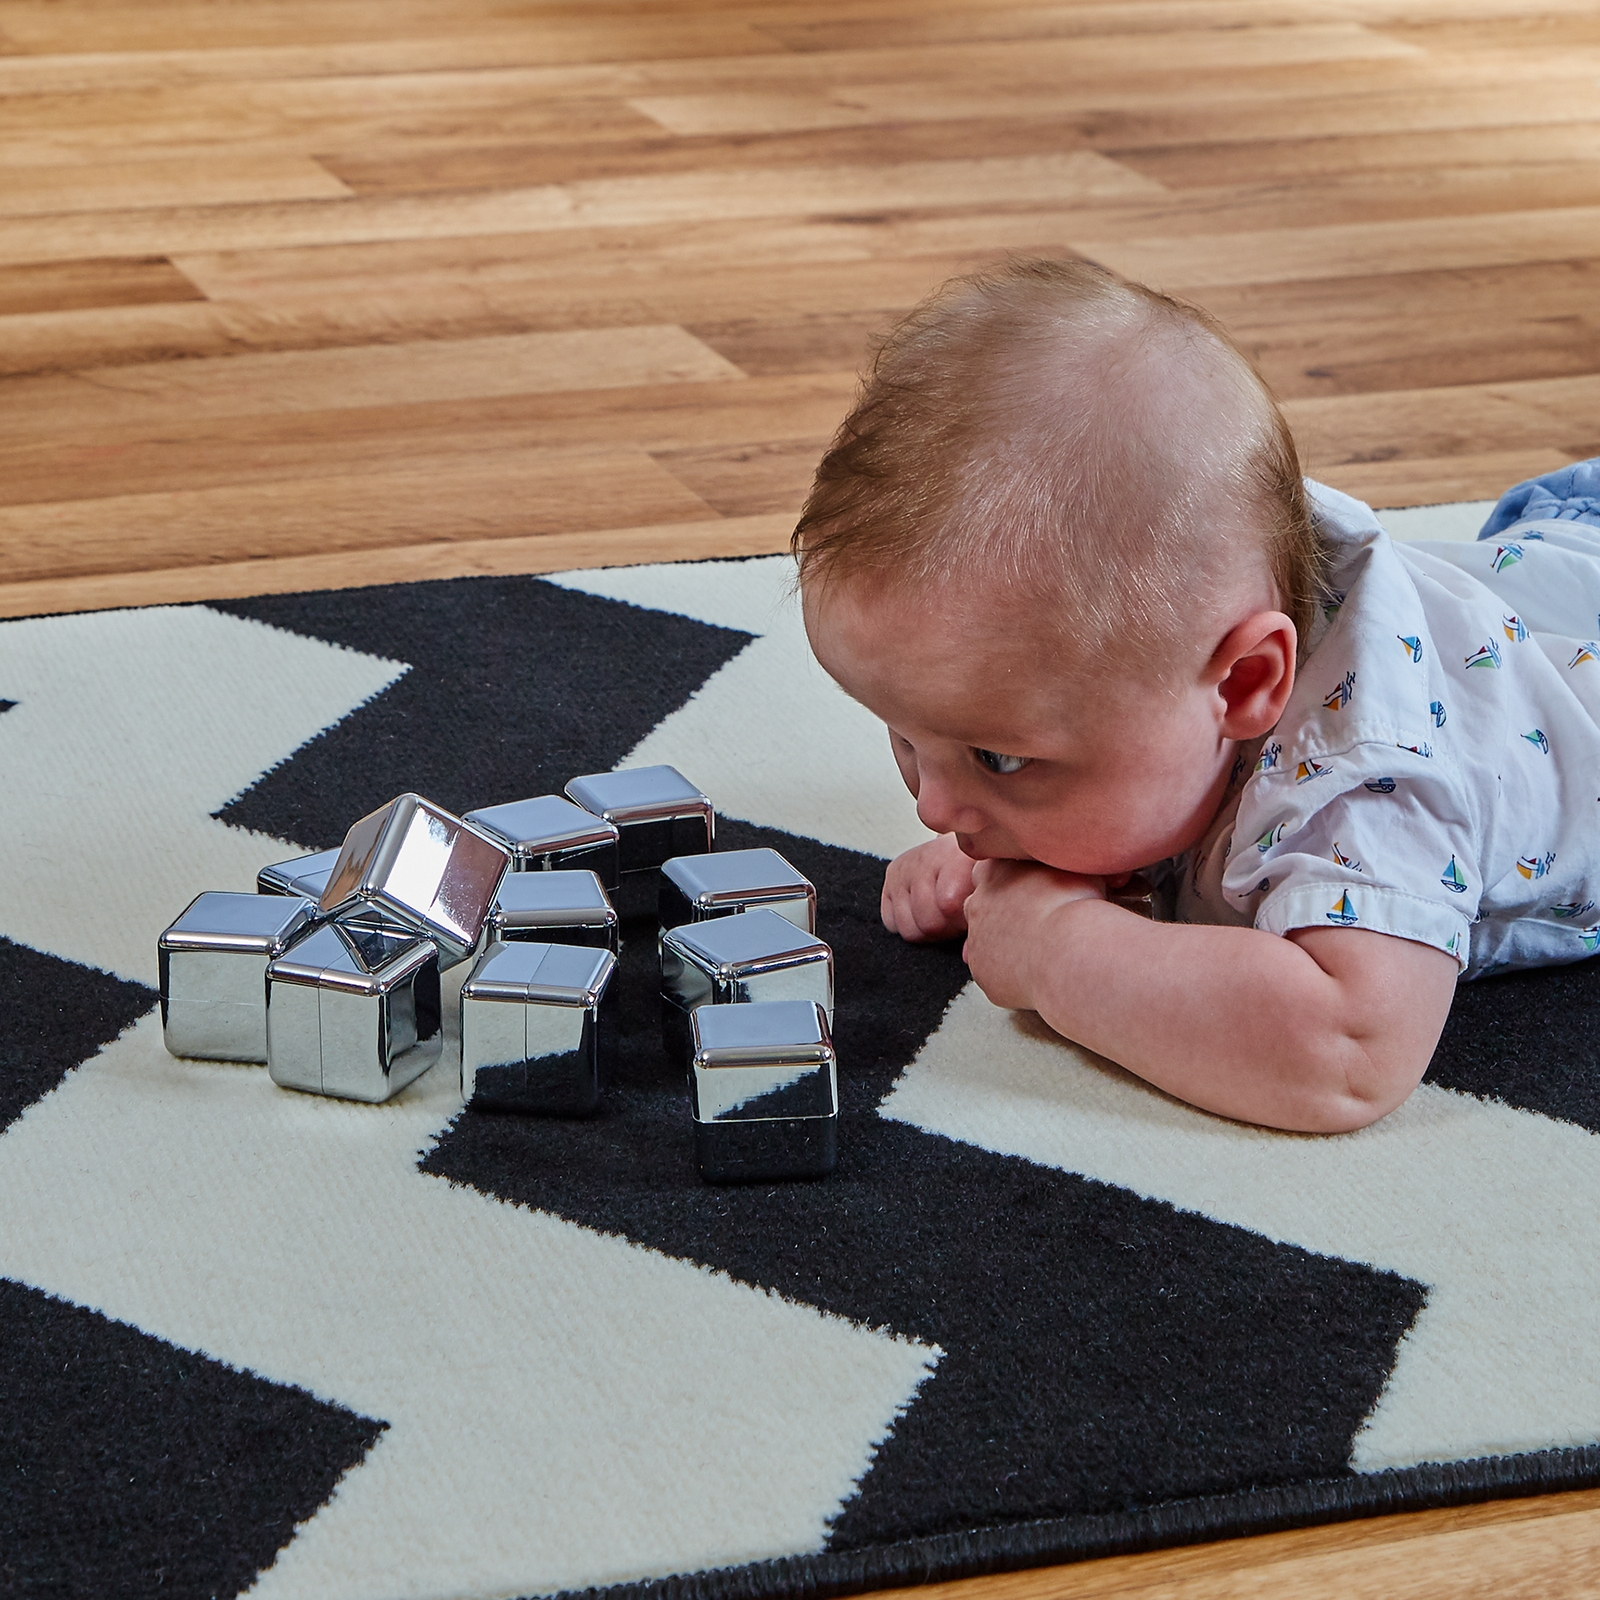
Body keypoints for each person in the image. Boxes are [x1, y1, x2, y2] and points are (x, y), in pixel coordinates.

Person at [796, 257, 1600, 1133]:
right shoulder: (1177, 633)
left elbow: (1347, 1056)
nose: (933, 805)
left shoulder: (1366, 781)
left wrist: (1065, 953)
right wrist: (1012, 833)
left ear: (1246, 683)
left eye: (998, 756)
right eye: (908, 739)